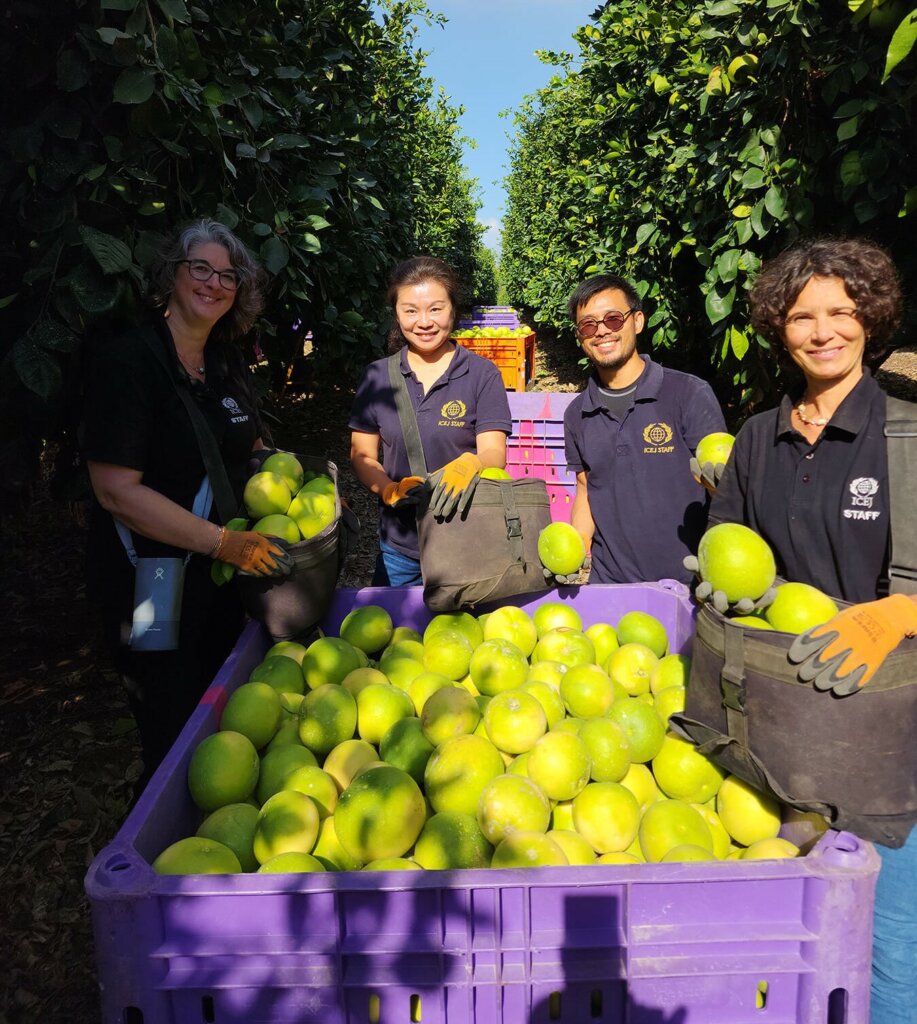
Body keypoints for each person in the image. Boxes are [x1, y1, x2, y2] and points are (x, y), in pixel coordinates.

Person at [706, 235, 917, 1024]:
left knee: (891, 948)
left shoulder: (905, 434)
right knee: (787, 935)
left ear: (869, 318)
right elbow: (728, 545)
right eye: (801, 316)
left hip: (885, 738)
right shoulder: (757, 437)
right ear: (778, 328)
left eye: (840, 311)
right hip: (781, 723)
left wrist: (904, 609)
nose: (822, 330)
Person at [82, 218, 292, 795]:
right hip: (149, 576)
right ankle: (167, 828)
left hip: (222, 572)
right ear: (171, 273)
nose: (214, 283)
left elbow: (246, 445)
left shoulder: (224, 363)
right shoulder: (130, 363)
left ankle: (219, 812)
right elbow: (116, 491)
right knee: (169, 706)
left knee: (222, 695)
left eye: (228, 276)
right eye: (200, 268)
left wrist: (289, 480)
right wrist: (224, 541)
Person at [349, 256, 512, 586]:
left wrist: (472, 463)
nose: (424, 321)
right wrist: (387, 488)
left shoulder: (481, 374)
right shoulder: (378, 376)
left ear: (453, 309)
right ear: (396, 314)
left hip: (465, 538)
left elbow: (494, 452)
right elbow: (362, 455)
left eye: (435, 309)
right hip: (399, 544)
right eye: (410, 311)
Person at [563, 273, 727, 585]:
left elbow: (719, 485)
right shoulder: (576, 414)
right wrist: (573, 549)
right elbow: (586, 487)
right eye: (588, 325)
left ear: (637, 321)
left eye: (613, 319)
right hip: (610, 583)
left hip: (687, 579)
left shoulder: (687, 393)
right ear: (580, 337)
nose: (601, 332)